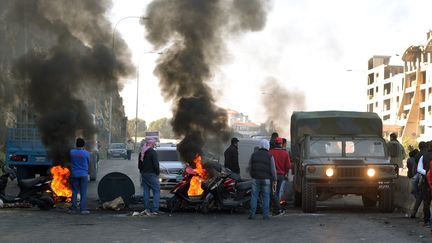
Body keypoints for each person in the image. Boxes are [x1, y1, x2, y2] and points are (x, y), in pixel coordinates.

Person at [247, 139, 276, 220]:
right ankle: (265, 215)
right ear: (268, 146)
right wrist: (275, 178)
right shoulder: (270, 156)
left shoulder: (253, 155)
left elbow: (249, 167)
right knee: (266, 197)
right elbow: (273, 170)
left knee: (254, 196)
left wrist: (252, 175)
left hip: (255, 179)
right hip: (266, 179)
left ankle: (252, 215)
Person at [269, 137, 291, 216]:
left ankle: (276, 209)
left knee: (272, 193)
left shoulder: (270, 152)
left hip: (272, 175)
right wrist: (285, 173)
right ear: (281, 144)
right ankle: (277, 209)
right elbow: (288, 165)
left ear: (275, 143)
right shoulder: (285, 153)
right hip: (281, 175)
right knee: (277, 192)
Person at [138, 138, 161, 215]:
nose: (154, 145)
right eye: (154, 143)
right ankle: (155, 209)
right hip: (151, 174)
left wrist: (142, 172)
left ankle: (146, 208)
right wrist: (157, 173)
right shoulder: (153, 152)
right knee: (157, 190)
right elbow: (156, 165)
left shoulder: (142, 152)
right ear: (152, 144)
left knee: (146, 191)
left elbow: (139, 165)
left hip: (144, 174)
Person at [70, 138, 91, 215]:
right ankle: (83, 209)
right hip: (83, 175)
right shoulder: (86, 153)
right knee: (83, 193)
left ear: (76, 144)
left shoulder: (72, 152)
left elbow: (70, 161)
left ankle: (74, 208)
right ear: (83, 145)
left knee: (74, 192)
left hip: (75, 174)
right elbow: (88, 162)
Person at [416, 141, 432, 227]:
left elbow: (419, 169)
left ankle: (427, 221)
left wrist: (427, 173)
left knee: (426, 203)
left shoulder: (424, 156)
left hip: (426, 183)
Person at [411, 141, 428, 218]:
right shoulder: (426, 155)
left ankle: (414, 213)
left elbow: (417, 169)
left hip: (421, 176)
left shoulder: (418, 155)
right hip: (426, 176)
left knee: (420, 197)